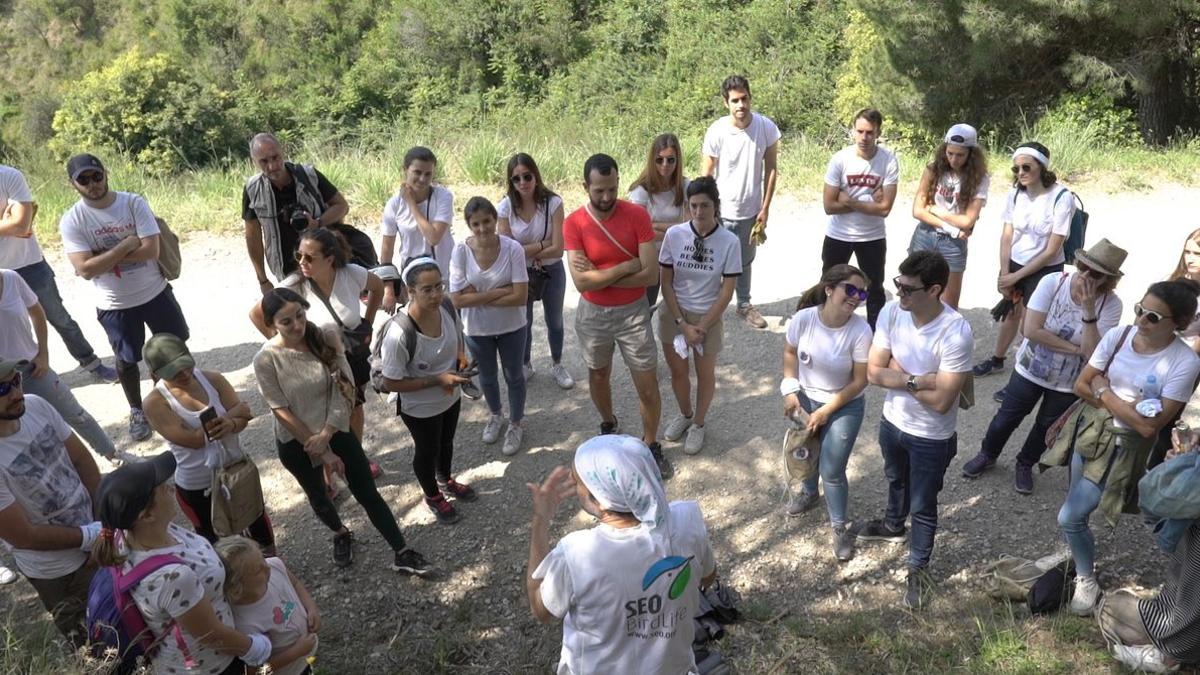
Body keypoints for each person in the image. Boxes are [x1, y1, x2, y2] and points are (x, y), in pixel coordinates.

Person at [1044, 281, 1200, 617]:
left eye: (1153, 316)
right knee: (1074, 507)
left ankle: (1086, 576)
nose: (1142, 319)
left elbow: (1148, 426)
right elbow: (1081, 384)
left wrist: (1104, 392)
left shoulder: (1184, 362)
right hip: (1090, 433)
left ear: (1180, 323)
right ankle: (1080, 564)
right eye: (1140, 309)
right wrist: (1115, 400)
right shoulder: (1118, 336)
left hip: (1125, 446)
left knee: (1072, 515)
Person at [253, 288, 430, 574]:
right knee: (318, 494)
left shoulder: (324, 336)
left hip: (335, 430)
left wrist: (327, 434)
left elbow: (344, 390)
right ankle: (340, 532)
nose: (297, 325)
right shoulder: (265, 359)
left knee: (367, 492)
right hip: (295, 441)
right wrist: (322, 451)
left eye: (300, 315)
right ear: (271, 324)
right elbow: (280, 410)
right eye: (286, 322)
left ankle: (401, 550)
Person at [526, 434, 717, 674]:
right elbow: (708, 578)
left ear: (601, 501)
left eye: (578, 482)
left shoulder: (577, 554)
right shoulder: (687, 521)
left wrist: (540, 520)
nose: (574, 486)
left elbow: (540, 609)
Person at [961, 240, 1125, 494]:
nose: (1086, 275)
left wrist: (1089, 310)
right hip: (1030, 369)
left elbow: (1093, 353)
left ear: (1108, 280)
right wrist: (1075, 349)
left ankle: (1025, 463)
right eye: (1084, 267)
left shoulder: (1111, 305)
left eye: (1096, 274)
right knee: (1006, 418)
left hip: (1068, 382)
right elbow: (1031, 330)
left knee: (1046, 426)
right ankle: (987, 453)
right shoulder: (1053, 282)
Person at [860, 251, 974, 610]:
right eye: (899, 285)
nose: (900, 294)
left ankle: (918, 569)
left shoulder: (956, 332)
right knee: (895, 478)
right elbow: (873, 373)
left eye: (908, 289)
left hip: (931, 437)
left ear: (935, 289)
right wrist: (918, 378)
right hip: (892, 423)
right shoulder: (893, 312)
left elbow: (943, 403)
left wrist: (897, 371)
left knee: (924, 506)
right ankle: (894, 525)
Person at [92, 452, 273, 674]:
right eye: (163, 488)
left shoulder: (131, 537)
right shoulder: (174, 578)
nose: (171, 488)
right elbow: (212, 635)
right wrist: (255, 647)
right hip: (212, 666)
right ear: (146, 516)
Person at [58, 153, 190, 442]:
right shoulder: (72, 220)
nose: (92, 184)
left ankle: (167, 400)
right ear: (73, 184)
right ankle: (137, 410)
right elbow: (84, 269)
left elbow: (151, 251)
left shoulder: (132, 203)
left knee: (173, 347)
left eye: (96, 176)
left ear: (105, 173)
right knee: (126, 359)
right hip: (114, 304)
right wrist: (126, 245)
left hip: (155, 293)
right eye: (84, 180)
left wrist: (101, 257)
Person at [249, 228, 385, 484]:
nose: (302, 263)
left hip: (350, 356)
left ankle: (355, 456)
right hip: (316, 361)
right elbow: (257, 313)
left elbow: (377, 288)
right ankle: (327, 466)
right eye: (299, 256)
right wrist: (283, 344)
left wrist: (367, 323)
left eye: (309, 257)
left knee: (354, 406)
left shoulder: (351, 274)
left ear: (330, 258)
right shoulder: (293, 285)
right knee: (320, 413)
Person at [563, 154, 669, 478]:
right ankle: (608, 424)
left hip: (633, 313)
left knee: (647, 384)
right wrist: (626, 266)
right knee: (598, 375)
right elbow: (581, 283)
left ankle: (650, 443)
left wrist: (602, 274)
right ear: (586, 187)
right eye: (599, 191)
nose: (607, 197)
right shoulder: (574, 223)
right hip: (593, 314)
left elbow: (650, 275)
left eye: (612, 189)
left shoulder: (637, 215)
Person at [141, 333, 276, 552]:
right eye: (175, 373)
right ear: (156, 374)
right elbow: (193, 441)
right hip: (198, 484)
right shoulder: (155, 402)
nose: (185, 374)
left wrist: (231, 423)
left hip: (236, 469)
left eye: (187, 365)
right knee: (215, 540)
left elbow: (244, 419)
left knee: (255, 519)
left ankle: (272, 566)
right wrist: (234, 414)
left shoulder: (213, 379)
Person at [0, 358, 102, 647]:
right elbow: (24, 536)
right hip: (59, 572)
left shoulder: (36, 405)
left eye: (15, 379)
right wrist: (91, 537)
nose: (16, 392)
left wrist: (103, 523)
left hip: (96, 537)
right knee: (96, 647)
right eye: (2, 389)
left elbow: (82, 460)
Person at [780, 264, 872, 562]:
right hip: (806, 397)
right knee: (806, 452)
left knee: (832, 470)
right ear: (829, 289)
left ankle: (839, 527)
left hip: (845, 404)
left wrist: (827, 410)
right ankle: (809, 492)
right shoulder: (804, 319)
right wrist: (790, 390)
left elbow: (860, 380)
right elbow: (790, 352)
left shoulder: (860, 330)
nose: (856, 297)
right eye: (851, 289)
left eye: (862, 293)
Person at [378, 258, 477, 523]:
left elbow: (458, 338)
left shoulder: (446, 306)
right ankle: (432, 495)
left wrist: (461, 364)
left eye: (439, 286)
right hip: (419, 406)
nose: (435, 295)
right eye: (427, 289)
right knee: (427, 449)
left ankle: (445, 480)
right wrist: (439, 379)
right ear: (410, 291)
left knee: (446, 442)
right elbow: (391, 382)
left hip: (449, 393)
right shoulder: (400, 333)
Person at [0, 163, 117, 382]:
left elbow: (21, 224)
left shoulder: (8, 176)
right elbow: (15, 224)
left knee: (59, 318)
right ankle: (11, 381)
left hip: (29, 264)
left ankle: (92, 363)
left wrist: (14, 223)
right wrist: (6, 223)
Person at [973, 142, 1075, 379]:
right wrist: (1004, 271)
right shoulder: (1015, 193)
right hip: (1015, 264)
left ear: (1042, 167)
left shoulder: (1061, 197)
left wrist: (1015, 277)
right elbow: (1007, 235)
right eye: (1016, 169)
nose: (1021, 173)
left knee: (1030, 326)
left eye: (1026, 167)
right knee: (1011, 312)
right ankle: (997, 359)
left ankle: (1023, 375)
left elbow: (1052, 249)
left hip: (1045, 269)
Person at [657, 177, 741, 455]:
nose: (698, 212)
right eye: (693, 205)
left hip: (708, 315)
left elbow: (727, 291)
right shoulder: (675, 235)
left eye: (705, 205)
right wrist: (682, 324)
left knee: (705, 373)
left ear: (716, 206)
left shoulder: (729, 241)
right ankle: (685, 414)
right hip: (674, 312)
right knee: (678, 371)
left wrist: (701, 326)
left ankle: (700, 424)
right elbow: (665, 282)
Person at [0, 268, 118, 460]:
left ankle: (113, 454)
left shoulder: (11, 278)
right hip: (1, 382)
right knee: (18, 435)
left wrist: (43, 354)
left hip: (31, 368)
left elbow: (37, 312)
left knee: (74, 413)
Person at [242, 132, 376, 294]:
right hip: (287, 269)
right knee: (298, 315)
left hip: (323, 263)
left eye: (275, 157)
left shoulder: (308, 175)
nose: (272, 166)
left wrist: (317, 223)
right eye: (264, 161)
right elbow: (253, 237)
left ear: (282, 152)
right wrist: (263, 280)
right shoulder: (253, 189)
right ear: (254, 161)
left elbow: (341, 206)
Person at [450, 198, 530, 456]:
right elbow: (457, 299)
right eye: (476, 224)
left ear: (495, 219)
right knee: (487, 376)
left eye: (487, 221)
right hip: (477, 329)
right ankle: (496, 415)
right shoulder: (460, 251)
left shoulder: (512, 249)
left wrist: (478, 296)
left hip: (512, 326)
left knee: (514, 375)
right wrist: (499, 291)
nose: (483, 228)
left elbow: (520, 297)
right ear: (469, 225)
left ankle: (516, 423)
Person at [701, 75, 780, 329]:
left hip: (751, 209)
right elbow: (706, 175)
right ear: (726, 103)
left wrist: (765, 208)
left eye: (744, 98)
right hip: (721, 210)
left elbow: (771, 170)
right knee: (712, 258)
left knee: (745, 260)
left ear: (750, 97)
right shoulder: (716, 131)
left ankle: (743, 304)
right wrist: (705, 211)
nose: (741, 105)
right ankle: (708, 307)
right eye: (735, 100)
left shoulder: (766, 127)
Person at [496, 153, 574, 388]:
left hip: (551, 271)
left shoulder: (553, 203)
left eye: (527, 176)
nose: (522, 183)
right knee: (524, 321)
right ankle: (526, 364)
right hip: (521, 274)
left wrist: (526, 249)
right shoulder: (505, 207)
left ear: (536, 175)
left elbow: (559, 249)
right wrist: (542, 245)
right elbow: (506, 252)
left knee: (555, 321)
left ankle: (557, 364)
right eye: (516, 179)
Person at [821, 108, 900, 329]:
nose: (864, 138)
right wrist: (869, 201)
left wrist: (850, 200)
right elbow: (829, 206)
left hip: (872, 236)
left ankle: (876, 334)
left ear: (878, 133)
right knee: (830, 284)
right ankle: (825, 325)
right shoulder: (840, 159)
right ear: (853, 131)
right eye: (860, 131)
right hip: (839, 234)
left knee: (874, 289)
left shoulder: (888, 161)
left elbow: (885, 209)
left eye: (869, 133)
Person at [907, 124, 991, 309]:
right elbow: (918, 211)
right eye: (950, 153)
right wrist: (951, 227)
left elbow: (968, 221)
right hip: (926, 235)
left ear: (971, 154)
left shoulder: (980, 178)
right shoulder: (933, 170)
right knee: (913, 293)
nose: (954, 159)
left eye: (960, 155)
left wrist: (937, 210)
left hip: (952, 245)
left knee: (948, 303)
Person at [216, 536, 320, 675]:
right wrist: (296, 652)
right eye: (257, 570)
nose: (267, 567)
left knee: (311, 665)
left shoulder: (275, 565)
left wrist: (311, 608)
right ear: (236, 588)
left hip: (307, 652)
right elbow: (256, 672)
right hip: (291, 670)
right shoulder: (244, 626)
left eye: (263, 558)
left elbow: (295, 583)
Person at [380, 146, 454, 313]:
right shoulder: (394, 204)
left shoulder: (443, 197)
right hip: (413, 282)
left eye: (428, 174)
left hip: (444, 278)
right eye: (417, 172)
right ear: (406, 170)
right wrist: (389, 290)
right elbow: (386, 252)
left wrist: (412, 204)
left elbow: (434, 237)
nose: (422, 179)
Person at [629, 134, 691, 308]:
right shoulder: (641, 190)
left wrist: (655, 225)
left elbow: (691, 228)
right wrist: (676, 229)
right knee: (645, 307)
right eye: (660, 160)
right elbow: (641, 235)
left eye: (670, 160)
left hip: (678, 256)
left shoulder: (685, 186)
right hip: (650, 257)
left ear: (677, 160)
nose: (665, 165)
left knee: (681, 306)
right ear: (652, 160)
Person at [1168, 227, 1200, 353]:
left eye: (1198, 254)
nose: (1190, 260)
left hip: (1189, 354)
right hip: (1159, 346)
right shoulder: (1170, 281)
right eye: (1187, 252)